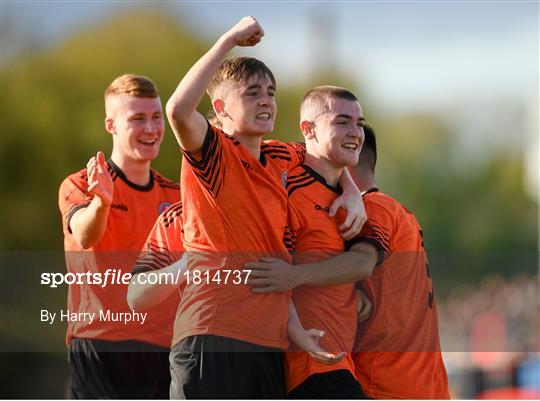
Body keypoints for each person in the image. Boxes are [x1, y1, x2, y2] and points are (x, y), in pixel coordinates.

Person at [165, 16, 365, 399]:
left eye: (270, 93)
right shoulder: (214, 153)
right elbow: (177, 110)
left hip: (268, 346)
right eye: (252, 93)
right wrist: (229, 40)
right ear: (221, 107)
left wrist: (351, 189)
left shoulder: (279, 164)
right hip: (213, 334)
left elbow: (328, 155)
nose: (266, 101)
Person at [245, 86, 379, 398]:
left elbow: (362, 264)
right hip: (309, 367)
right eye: (342, 121)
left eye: (359, 123)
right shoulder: (284, 183)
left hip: (339, 364)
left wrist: (351, 188)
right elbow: (272, 270)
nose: (355, 132)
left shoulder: (349, 198)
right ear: (308, 129)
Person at [58, 74, 179, 398]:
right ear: (111, 124)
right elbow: (85, 235)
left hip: (163, 350)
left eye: (156, 117)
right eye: (137, 119)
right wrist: (102, 203)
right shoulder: (82, 184)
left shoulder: (177, 195)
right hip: (101, 344)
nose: (151, 128)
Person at [349, 125, 450, 399]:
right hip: (423, 385)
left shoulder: (373, 209)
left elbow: (362, 262)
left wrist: (292, 275)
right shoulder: (399, 211)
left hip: (385, 382)